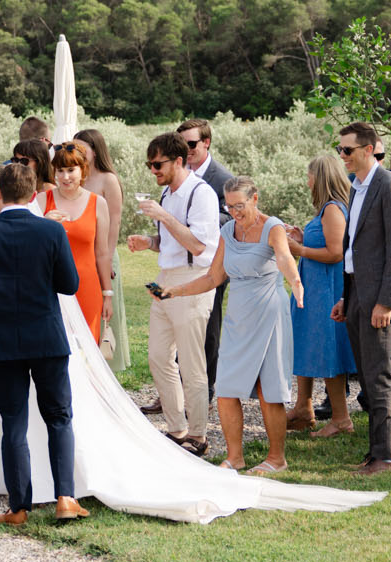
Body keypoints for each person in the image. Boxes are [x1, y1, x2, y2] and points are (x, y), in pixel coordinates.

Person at [0, 160, 88, 526]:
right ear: (33, 195)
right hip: (47, 337)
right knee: (59, 417)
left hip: (0, 342)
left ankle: (19, 508)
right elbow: (69, 284)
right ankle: (65, 498)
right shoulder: (51, 233)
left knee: (14, 423)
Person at [156, 177, 302, 474]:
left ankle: (277, 459)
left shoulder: (272, 226)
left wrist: (295, 282)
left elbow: (285, 258)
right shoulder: (227, 230)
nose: (235, 212)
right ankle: (235, 457)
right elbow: (213, 277)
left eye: (240, 206)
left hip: (268, 312)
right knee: (225, 388)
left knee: (267, 388)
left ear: (255, 199)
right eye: (230, 206)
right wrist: (174, 291)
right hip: (238, 315)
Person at [335, 121, 391, 476]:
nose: (342, 157)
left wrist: (386, 302)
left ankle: (388, 457)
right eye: (340, 150)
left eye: (348, 150)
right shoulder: (357, 187)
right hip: (358, 293)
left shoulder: (390, 186)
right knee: (367, 377)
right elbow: (354, 247)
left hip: (380, 299)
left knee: (379, 376)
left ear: (369, 149)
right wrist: (347, 295)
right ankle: (376, 453)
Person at [128, 131, 221, 453]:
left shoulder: (201, 194)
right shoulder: (167, 195)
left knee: (192, 363)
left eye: (157, 165)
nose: (153, 171)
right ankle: (177, 429)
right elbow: (172, 244)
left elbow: (199, 246)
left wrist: (163, 216)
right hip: (164, 278)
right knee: (158, 357)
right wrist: (149, 242)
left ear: (178, 161)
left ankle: (198, 435)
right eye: (149, 165)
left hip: (193, 280)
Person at [286, 154, 356, 438]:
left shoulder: (333, 209)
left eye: (309, 176)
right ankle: (303, 408)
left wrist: (299, 251)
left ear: (321, 178)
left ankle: (341, 419)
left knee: (328, 351)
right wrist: (304, 238)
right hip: (315, 289)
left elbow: (336, 253)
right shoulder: (326, 210)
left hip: (327, 291)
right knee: (311, 345)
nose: (307, 181)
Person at [178, 118, 236, 394]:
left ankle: (206, 388)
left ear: (206, 143)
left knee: (208, 327)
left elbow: (232, 219)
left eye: (191, 144)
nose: (186, 149)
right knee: (179, 322)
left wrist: (199, 221)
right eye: (182, 144)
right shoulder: (178, 173)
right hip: (180, 261)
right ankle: (177, 388)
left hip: (212, 263)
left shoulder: (223, 179)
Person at [41, 142, 113, 346]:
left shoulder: (98, 203)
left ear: (83, 170)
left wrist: (107, 294)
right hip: (51, 287)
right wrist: (43, 222)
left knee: (87, 347)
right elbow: (30, 247)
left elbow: (102, 253)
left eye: (71, 170)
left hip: (87, 286)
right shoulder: (41, 201)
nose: (65, 177)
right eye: (60, 170)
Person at [73, 128, 131, 370]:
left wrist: (103, 265)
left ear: (95, 151)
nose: (77, 153)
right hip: (80, 256)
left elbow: (115, 223)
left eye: (81, 149)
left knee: (105, 316)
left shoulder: (108, 180)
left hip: (103, 254)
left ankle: (105, 370)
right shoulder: (75, 176)